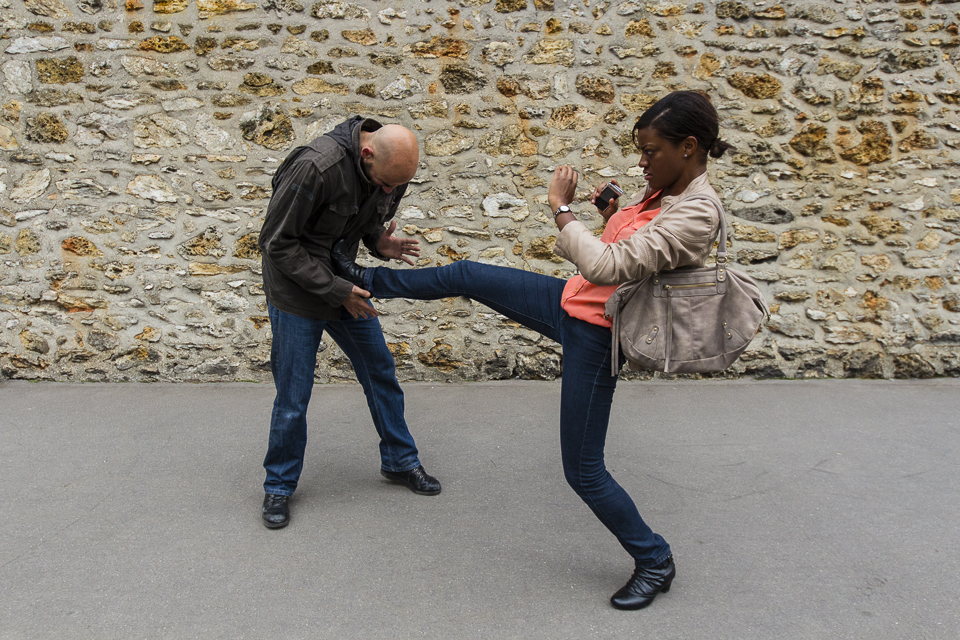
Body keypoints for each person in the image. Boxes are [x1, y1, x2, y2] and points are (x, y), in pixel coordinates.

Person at [333, 91, 734, 609]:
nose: (641, 161)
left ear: (689, 147)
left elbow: (609, 267)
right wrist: (613, 213)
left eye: (650, 151)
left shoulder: (698, 211)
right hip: (570, 304)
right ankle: (364, 279)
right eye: (640, 150)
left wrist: (562, 210)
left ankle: (654, 559)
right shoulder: (660, 193)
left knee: (584, 471)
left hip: (599, 336)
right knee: (468, 274)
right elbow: (620, 250)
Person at [257, 117, 439, 530]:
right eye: (386, 184)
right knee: (294, 395)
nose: (391, 192)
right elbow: (276, 242)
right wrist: (336, 290)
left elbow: (366, 221)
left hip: (343, 283)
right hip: (297, 292)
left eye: (397, 187)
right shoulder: (316, 166)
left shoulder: (392, 171)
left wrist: (379, 242)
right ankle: (279, 486)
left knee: (380, 371)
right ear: (367, 152)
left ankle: (399, 461)